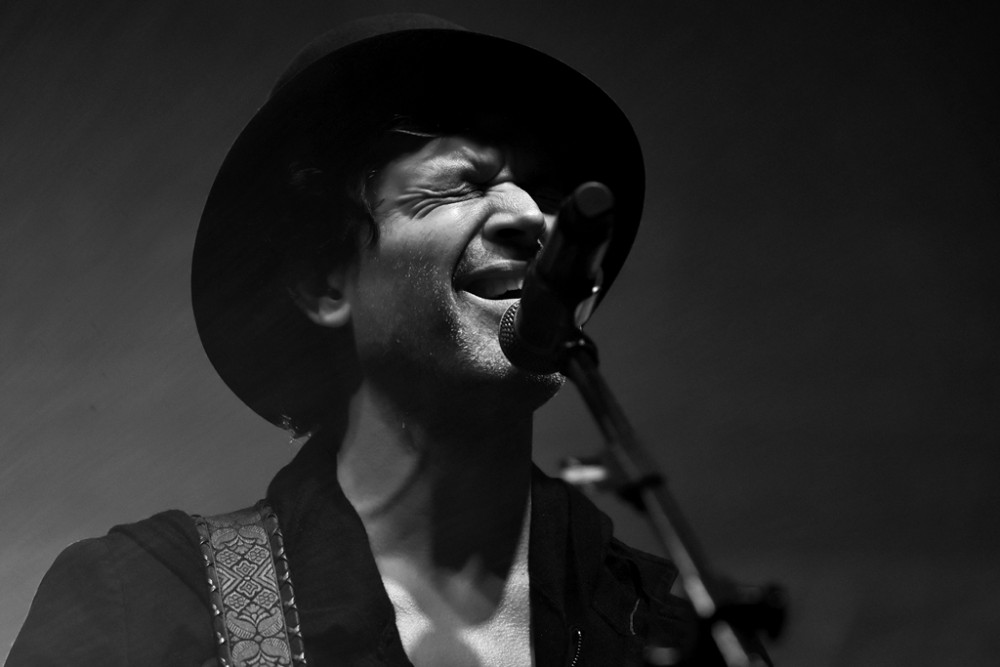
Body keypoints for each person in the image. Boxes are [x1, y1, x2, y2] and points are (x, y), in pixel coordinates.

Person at [8, 14, 710, 667]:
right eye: (459, 187)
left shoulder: (671, 628)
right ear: (323, 282)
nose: (530, 217)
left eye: (549, 193)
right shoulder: (143, 603)